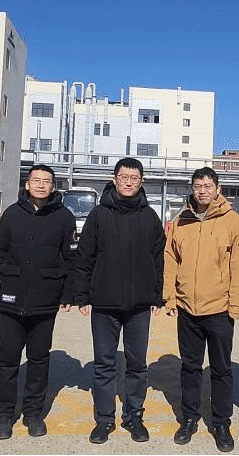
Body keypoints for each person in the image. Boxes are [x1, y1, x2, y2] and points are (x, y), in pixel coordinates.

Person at [73, 158, 167, 444]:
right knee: (104, 364)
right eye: (124, 177)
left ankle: (134, 416)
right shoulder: (99, 214)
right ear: (114, 179)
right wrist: (82, 295)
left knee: (137, 364)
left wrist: (158, 295)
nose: (128, 182)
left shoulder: (149, 217)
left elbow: (158, 260)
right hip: (104, 303)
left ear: (141, 182)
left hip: (139, 305)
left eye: (134, 178)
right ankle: (104, 419)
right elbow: (84, 256)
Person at [0, 164, 77, 440]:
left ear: (53, 187)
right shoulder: (12, 214)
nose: (41, 185)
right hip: (11, 298)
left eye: (47, 181)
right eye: (36, 180)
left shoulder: (64, 216)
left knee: (39, 359)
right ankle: (4, 415)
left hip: (46, 299)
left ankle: (33, 413)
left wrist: (68, 293)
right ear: (27, 184)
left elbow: (71, 259)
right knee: (7, 359)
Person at [163, 167, 239, 453]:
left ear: (217, 189)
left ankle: (221, 423)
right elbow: (170, 259)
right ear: (192, 189)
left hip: (219, 310)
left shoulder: (232, 221)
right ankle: (189, 418)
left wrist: (235, 305)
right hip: (187, 309)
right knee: (190, 367)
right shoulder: (181, 220)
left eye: (207, 186)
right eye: (197, 186)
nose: (202, 191)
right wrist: (170, 297)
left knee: (221, 369)